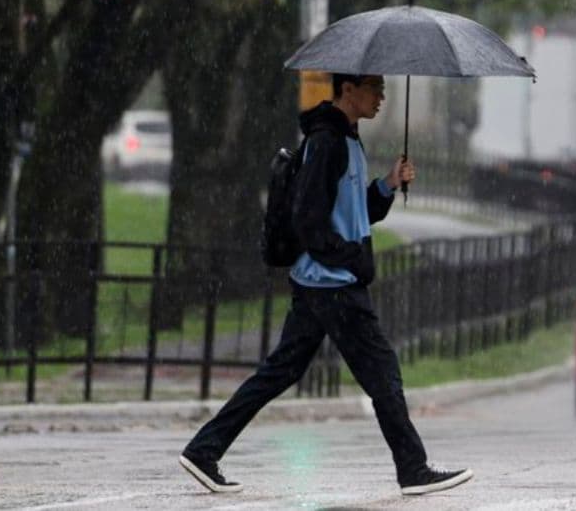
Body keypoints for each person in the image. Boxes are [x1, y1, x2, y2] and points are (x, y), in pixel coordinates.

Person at [179, 73, 473, 496]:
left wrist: (389, 184)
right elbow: (308, 218)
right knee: (382, 372)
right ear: (348, 89)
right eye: (374, 88)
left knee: (279, 372)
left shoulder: (347, 140)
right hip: (334, 284)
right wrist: (350, 259)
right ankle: (413, 468)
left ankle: (204, 450)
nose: (381, 96)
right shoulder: (326, 142)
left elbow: (355, 213)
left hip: (320, 283)